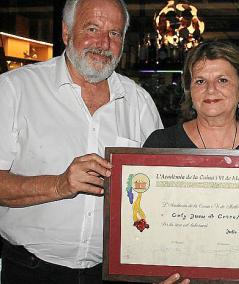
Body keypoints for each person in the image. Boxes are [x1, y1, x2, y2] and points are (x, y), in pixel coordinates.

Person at [0, 0, 174, 283]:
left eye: (115, 33)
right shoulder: (14, 89)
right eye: (92, 28)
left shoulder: (139, 102)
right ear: (67, 32)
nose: (103, 43)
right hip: (30, 270)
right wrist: (59, 184)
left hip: (113, 273)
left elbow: (161, 192)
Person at [143, 40, 239, 151]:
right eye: (200, 81)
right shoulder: (161, 144)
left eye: (222, 80)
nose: (211, 90)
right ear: (189, 89)